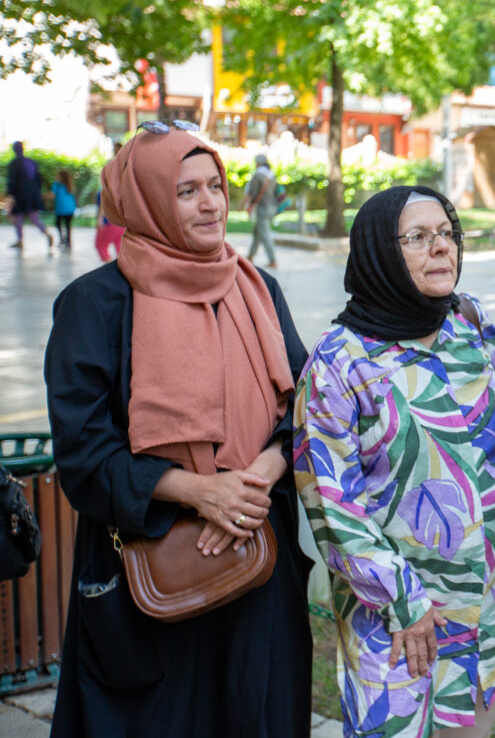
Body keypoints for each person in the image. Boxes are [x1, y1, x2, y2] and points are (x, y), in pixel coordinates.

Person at [44, 122, 313, 737]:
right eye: (186, 191)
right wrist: (200, 491)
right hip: (154, 565)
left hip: (256, 554)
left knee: (256, 713)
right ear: (146, 201)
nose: (210, 203)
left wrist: (257, 476)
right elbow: (83, 452)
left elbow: (304, 409)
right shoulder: (95, 303)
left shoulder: (257, 290)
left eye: (215, 185)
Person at [293, 186, 495, 738]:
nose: (442, 247)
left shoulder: (469, 322)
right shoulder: (339, 362)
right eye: (419, 237)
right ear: (379, 251)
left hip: (488, 597)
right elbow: (331, 503)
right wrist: (404, 600)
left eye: (448, 233)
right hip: (399, 614)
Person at [7, 141, 55, 249]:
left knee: (18, 218)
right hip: (33, 195)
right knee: (34, 217)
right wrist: (37, 194)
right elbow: (39, 180)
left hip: (19, 195)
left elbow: (12, 181)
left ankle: (20, 240)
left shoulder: (14, 163)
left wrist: (10, 195)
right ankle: (46, 232)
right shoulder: (32, 162)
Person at [244, 153, 279, 267]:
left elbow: (252, 193)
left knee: (265, 234)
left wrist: (249, 205)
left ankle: (273, 260)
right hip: (272, 206)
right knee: (258, 232)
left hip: (263, 208)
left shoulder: (258, 175)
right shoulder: (271, 174)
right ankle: (250, 256)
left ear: (258, 163)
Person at [52, 169, 77, 247]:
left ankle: (62, 239)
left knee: (58, 224)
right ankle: (68, 241)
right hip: (70, 208)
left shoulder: (57, 185)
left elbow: (52, 194)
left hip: (61, 209)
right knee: (67, 225)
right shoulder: (69, 185)